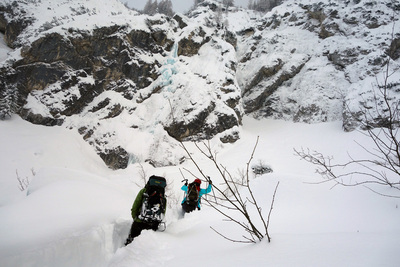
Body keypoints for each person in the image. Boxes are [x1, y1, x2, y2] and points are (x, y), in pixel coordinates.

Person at [125, 175, 167, 246]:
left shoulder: (144, 191)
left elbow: (136, 205)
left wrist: (135, 217)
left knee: (132, 241)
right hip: (153, 224)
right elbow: (163, 211)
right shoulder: (162, 196)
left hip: (139, 220)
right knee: (146, 245)